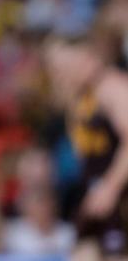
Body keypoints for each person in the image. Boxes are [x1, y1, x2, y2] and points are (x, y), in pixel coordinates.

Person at [44, 35, 128, 261]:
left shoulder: (112, 88)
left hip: (117, 193)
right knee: (82, 254)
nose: (64, 74)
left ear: (90, 59)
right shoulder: (82, 96)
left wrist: (111, 187)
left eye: (70, 66)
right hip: (97, 192)